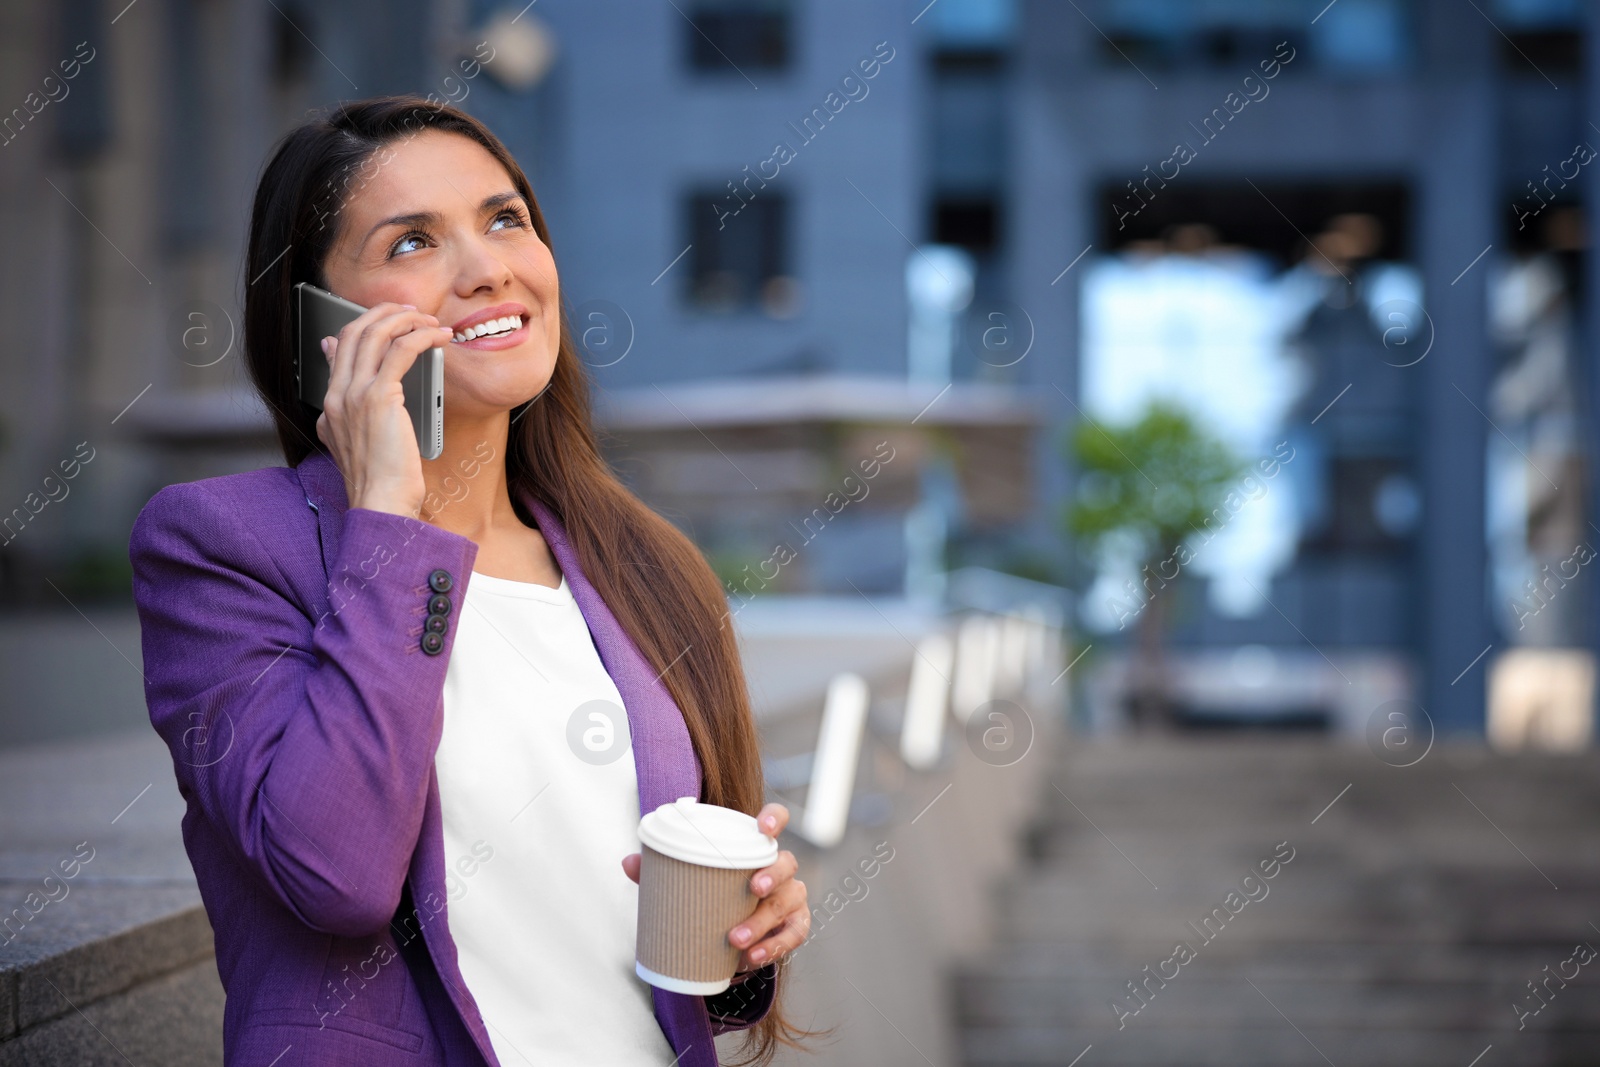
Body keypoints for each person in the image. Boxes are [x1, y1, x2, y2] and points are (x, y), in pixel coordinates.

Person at [129, 95, 814, 1067]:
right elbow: (335, 873)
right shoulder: (223, 544)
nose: (487, 266)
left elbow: (652, 946)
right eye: (411, 242)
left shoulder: (649, 564)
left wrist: (744, 943)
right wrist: (391, 523)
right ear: (321, 322)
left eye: (506, 219)